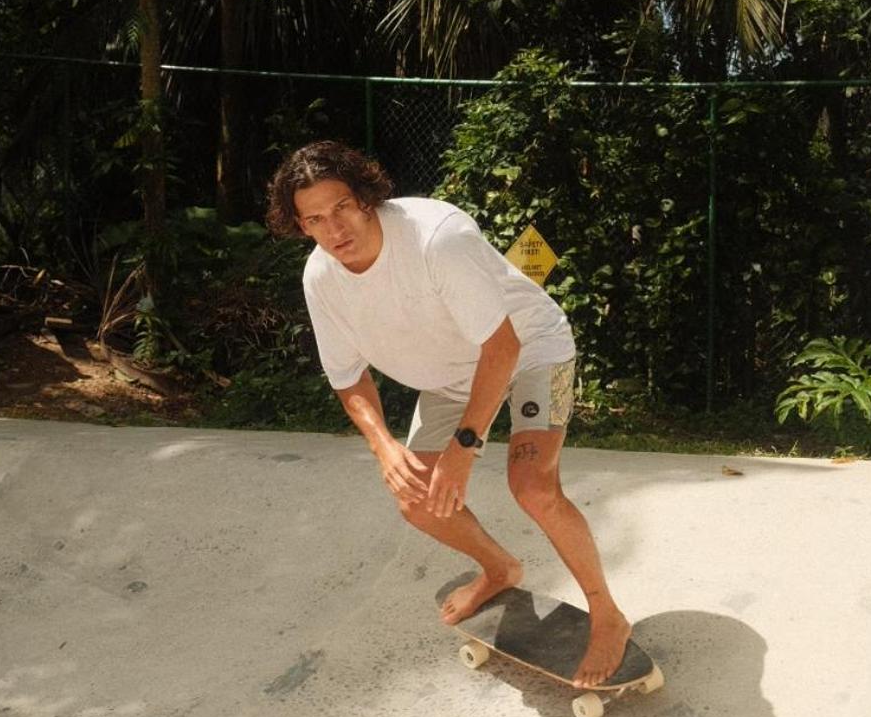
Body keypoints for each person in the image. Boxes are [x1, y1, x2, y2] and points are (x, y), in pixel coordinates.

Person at [266, 140, 631, 687]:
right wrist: (383, 447)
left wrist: (465, 447)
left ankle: (607, 613)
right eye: (315, 219)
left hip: (530, 349)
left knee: (533, 487)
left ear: (366, 197)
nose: (334, 229)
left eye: (341, 207)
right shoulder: (321, 278)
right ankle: (500, 568)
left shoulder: (437, 239)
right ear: (300, 225)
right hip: (450, 379)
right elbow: (347, 377)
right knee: (417, 500)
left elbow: (502, 348)